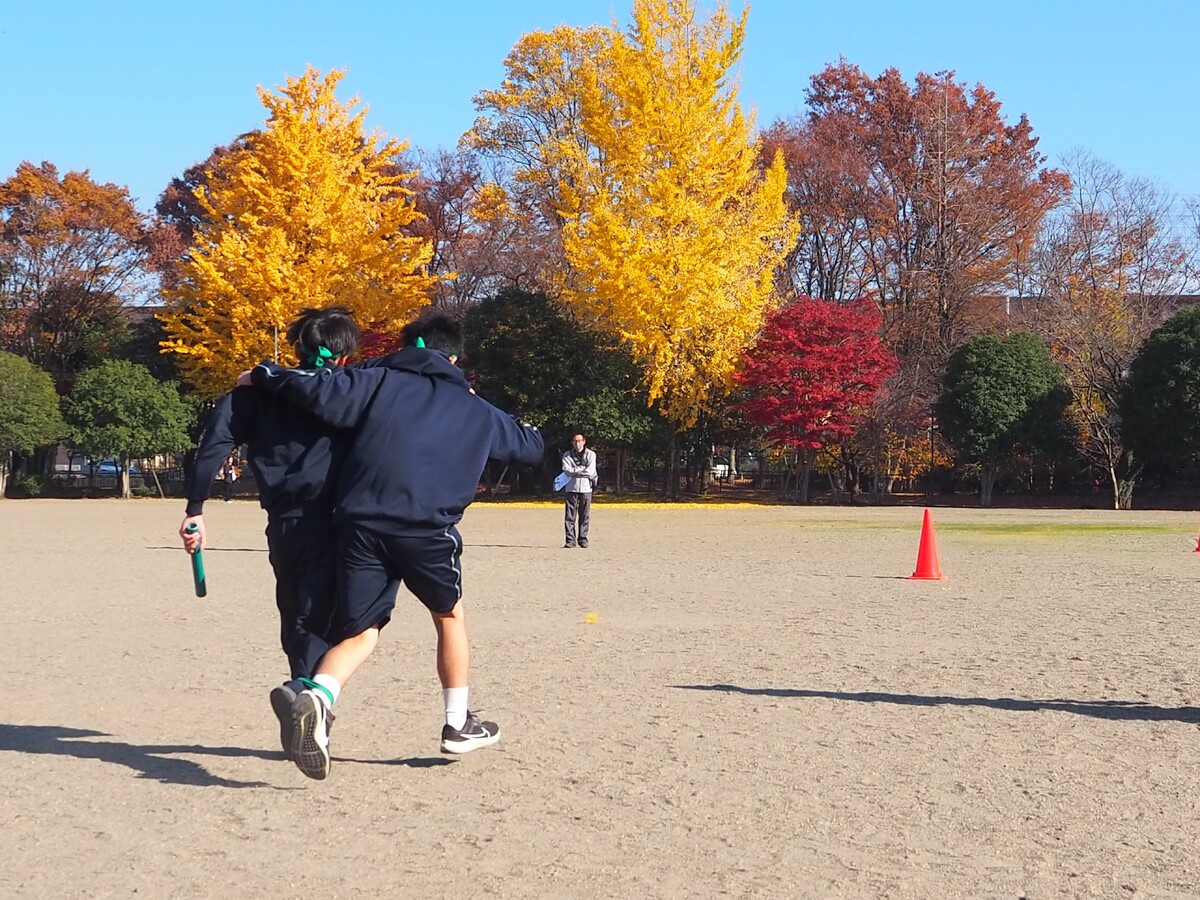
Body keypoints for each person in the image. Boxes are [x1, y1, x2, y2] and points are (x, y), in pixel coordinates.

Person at [244, 309, 545, 780]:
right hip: (427, 530)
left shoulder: (377, 380)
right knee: (448, 617)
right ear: (454, 357)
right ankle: (458, 723)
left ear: (409, 348)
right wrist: (485, 407)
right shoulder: (475, 408)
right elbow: (531, 446)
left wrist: (263, 373)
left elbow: (316, 385)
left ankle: (318, 696)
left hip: (359, 525)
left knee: (362, 629)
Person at [179, 306, 364, 760]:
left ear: (297, 347)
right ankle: (310, 698)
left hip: (283, 522)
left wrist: (195, 509)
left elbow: (212, 449)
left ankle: (306, 696)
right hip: (338, 518)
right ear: (343, 357)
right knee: (339, 618)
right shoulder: (352, 389)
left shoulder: (252, 395)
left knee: (297, 611)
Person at [561, 433, 597, 548]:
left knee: (584, 515)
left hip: (586, 488)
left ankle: (583, 539)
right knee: (569, 516)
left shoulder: (591, 454)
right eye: (575, 441)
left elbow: (590, 471)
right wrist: (581, 469)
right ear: (572, 442)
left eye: (580, 441)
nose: (578, 443)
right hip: (571, 488)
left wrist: (574, 471)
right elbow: (566, 470)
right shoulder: (567, 455)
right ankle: (570, 540)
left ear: (584, 441)